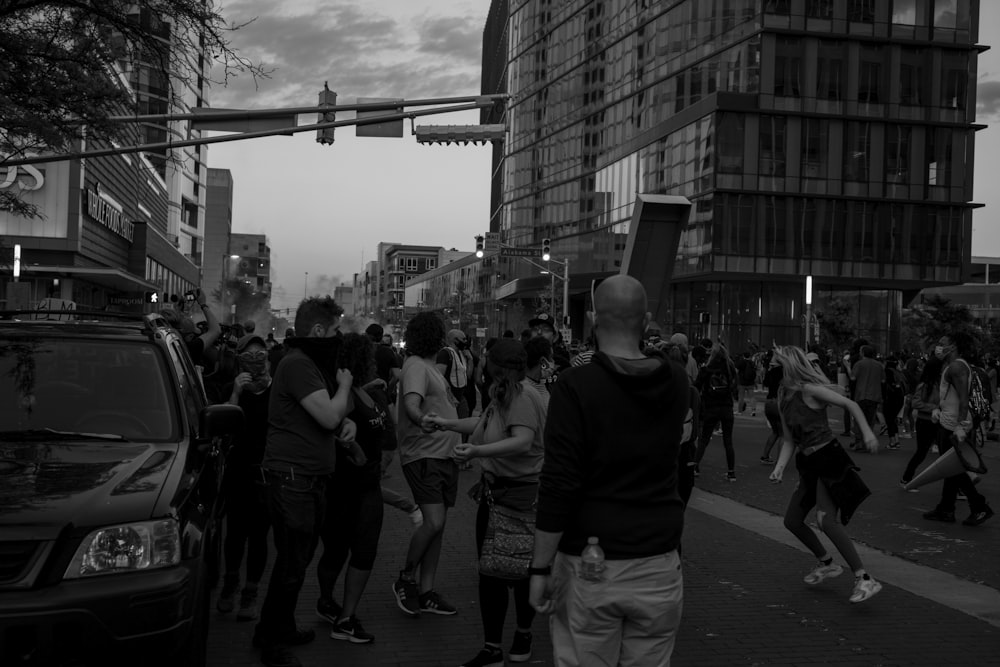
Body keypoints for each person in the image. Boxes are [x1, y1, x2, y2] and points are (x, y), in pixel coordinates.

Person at [528, 275, 688, 666]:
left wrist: (540, 566)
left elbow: (559, 482)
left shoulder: (574, 385)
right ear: (647, 320)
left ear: (595, 319)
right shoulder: (676, 381)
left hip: (590, 562)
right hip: (659, 561)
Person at [253, 297, 362, 667]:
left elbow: (335, 416)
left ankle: (280, 628)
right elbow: (330, 414)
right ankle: (270, 641)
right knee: (290, 566)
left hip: (309, 479)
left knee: (295, 562)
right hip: (292, 479)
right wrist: (345, 386)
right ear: (318, 331)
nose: (338, 337)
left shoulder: (310, 364)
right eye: (334, 331)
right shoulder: (298, 364)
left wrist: (349, 421)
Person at [425, 339, 547, 667]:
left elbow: (522, 441)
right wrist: (448, 424)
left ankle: (522, 633)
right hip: (495, 495)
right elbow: (481, 428)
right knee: (491, 574)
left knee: (520, 572)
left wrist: (477, 452)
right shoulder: (501, 393)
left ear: (493, 366)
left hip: (521, 498)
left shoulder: (523, 396)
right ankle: (492, 646)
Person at [769, 345, 882, 604]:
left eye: (775, 363)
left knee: (826, 520)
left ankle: (865, 578)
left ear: (788, 365)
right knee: (792, 520)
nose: (770, 367)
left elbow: (851, 404)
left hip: (828, 458)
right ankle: (828, 563)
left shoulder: (809, 390)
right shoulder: (783, 395)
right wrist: (779, 467)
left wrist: (867, 433)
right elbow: (789, 440)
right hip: (808, 462)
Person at [315, 333, 394, 645]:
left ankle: (326, 602)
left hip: (357, 485)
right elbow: (332, 433)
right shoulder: (345, 396)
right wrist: (358, 454)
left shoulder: (354, 389)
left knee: (337, 550)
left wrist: (370, 389)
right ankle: (345, 620)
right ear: (363, 360)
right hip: (355, 486)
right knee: (360, 551)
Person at [392, 312, 461, 617]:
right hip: (424, 455)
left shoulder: (428, 367)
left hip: (443, 455)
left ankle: (426, 591)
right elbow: (411, 403)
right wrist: (422, 419)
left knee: (438, 527)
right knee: (432, 522)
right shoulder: (417, 366)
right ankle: (406, 579)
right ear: (436, 336)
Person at [216, 334, 273, 622]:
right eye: (248, 355)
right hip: (238, 471)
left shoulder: (277, 391)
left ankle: (250, 593)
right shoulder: (231, 388)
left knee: (259, 536)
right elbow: (224, 431)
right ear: (239, 360)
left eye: (259, 354)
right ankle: (229, 585)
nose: (254, 360)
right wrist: (236, 395)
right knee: (235, 534)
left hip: (265, 473)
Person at [922, 333, 994, 526]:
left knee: (954, 469)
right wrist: (939, 408)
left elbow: (963, 399)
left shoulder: (956, 367)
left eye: (942, 344)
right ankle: (946, 509)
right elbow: (952, 396)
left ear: (953, 346)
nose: (938, 347)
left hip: (953, 426)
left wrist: (961, 426)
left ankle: (979, 507)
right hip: (950, 422)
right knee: (951, 469)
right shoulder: (955, 366)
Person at [694, 342, 739, 481]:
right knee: (728, 441)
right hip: (726, 406)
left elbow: (696, 386)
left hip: (710, 407)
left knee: (704, 439)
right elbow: (734, 389)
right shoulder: (730, 369)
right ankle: (731, 472)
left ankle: (694, 466)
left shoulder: (706, 370)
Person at [901, 356, 943, 489]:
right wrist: (934, 408)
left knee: (945, 452)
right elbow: (916, 402)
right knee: (921, 453)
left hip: (937, 422)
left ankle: (959, 486)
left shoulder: (939, 383)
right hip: (925, 422)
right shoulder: (925, 385)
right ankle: (906, 479)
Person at [850, 345, 884, 451]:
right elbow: (883, 381)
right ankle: (867, 442)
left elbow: (852, 377)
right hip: (874, 396)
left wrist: (847, 367)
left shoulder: (859, 364)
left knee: (858, 420)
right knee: (870, 420)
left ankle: (858, 442)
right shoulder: (879, 365)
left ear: (863, 353)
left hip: (861, 395)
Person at [437, 329, 472, 419]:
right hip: (449, 398)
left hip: (461, 396)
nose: (465, 342)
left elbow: (468, 376)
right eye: (463, 339)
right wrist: (451, 396)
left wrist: (470, 360)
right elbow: (438, 377)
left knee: (464, 419)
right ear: (455, 340)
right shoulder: (445, 353)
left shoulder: (461, 354)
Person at [759, 352, 784, 464]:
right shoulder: (785, 372)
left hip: (769, 402)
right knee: (783, 433)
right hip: (779, 402)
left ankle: (765, 455)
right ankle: (780, 460)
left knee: (775, 431)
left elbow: (765, 383)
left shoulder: (770, 372)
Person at [882, 356, 908, 450]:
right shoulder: (899, 373)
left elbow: (885, 385)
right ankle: (897, 441)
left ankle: (892, 442)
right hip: (900, 399)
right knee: (893, 420)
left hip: (890, 399)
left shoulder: (887, 371)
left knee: (889, 420)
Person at [736, 351, 758, 416]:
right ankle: (753, 410)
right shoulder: (752, 363)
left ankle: (740, 411)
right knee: (752, 397)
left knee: (741, 397)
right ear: (750, 356)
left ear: (743, 356)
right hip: (750, 383)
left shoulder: (741, 362)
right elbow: (755, 373)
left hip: (742, 382)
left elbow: (736, 371)